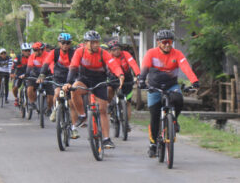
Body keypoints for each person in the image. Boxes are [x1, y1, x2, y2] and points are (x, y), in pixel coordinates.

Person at [138, 29, 199, 158]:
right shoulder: (151, 53)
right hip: (154, 87)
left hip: (171, 85)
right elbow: (144, 68)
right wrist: (142, 80)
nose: (167, 45)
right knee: (154, 117)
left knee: (178, 99)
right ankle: (153, 144)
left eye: (170, 42)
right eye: (164, 42)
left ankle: (174, 120)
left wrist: (194, 81)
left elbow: (186, 67)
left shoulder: (177, 54)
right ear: (158, 43)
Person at [63, 30, 125, 149]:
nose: (96, 45)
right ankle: (82, 115)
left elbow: (114, 65)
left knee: (102, 110)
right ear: (86, 43)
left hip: (99, 80)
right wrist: (68, 83)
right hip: (84, 78)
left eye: (97, 42)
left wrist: (120, 74)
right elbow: (73, 67)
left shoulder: (103, 53)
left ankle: (106, 139)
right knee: (74, 90)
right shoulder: (79, 52)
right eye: (93, 42)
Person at [37, 33, 80, 139]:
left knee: (72, 103)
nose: (65, 45)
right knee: (57, 93)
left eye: (68, 43)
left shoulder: (74, 53)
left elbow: (78, 66)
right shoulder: (54, 52)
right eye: (63, 43)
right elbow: (46, 64)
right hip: (58, 76)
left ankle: (74, 128)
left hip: (71, 77)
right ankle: (56, 109)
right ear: (59, 43)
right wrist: (42, 75)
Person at [107, 40, 140, 132]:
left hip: (127, 78)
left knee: (127, 103)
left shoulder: (125, 54)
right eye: (113, 50)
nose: (116, 51)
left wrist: (138, 75)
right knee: (109, 89)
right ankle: (111, 104)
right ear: (110, 51)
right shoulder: (108, 56)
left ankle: (126, 123)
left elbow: (133, 64)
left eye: (118, 49)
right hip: (113, 77)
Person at [25, 42, 53, 115]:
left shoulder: (48, 55)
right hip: (35, 75)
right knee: (29, 88)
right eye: (34, 50)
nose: (35, 52)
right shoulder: (32, 56)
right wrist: (26, 75)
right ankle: (32, 103)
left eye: (37, 50)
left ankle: (49, 108)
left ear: (42, 50)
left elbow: (51, 66)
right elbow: (29, 67)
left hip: (47, 75)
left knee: (50, 96)